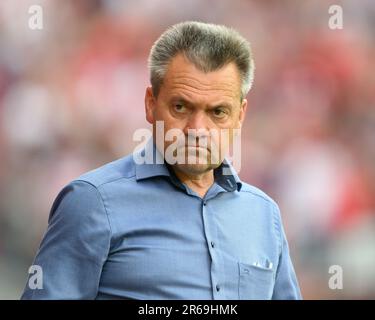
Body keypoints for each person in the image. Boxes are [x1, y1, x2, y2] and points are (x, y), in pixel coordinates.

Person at [21, 21, 301, 299]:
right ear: (150, 104)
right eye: (181, 107)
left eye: (218, 112)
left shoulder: (264, 215)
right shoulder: (92, 202)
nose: (197, 129)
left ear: (240, 116)